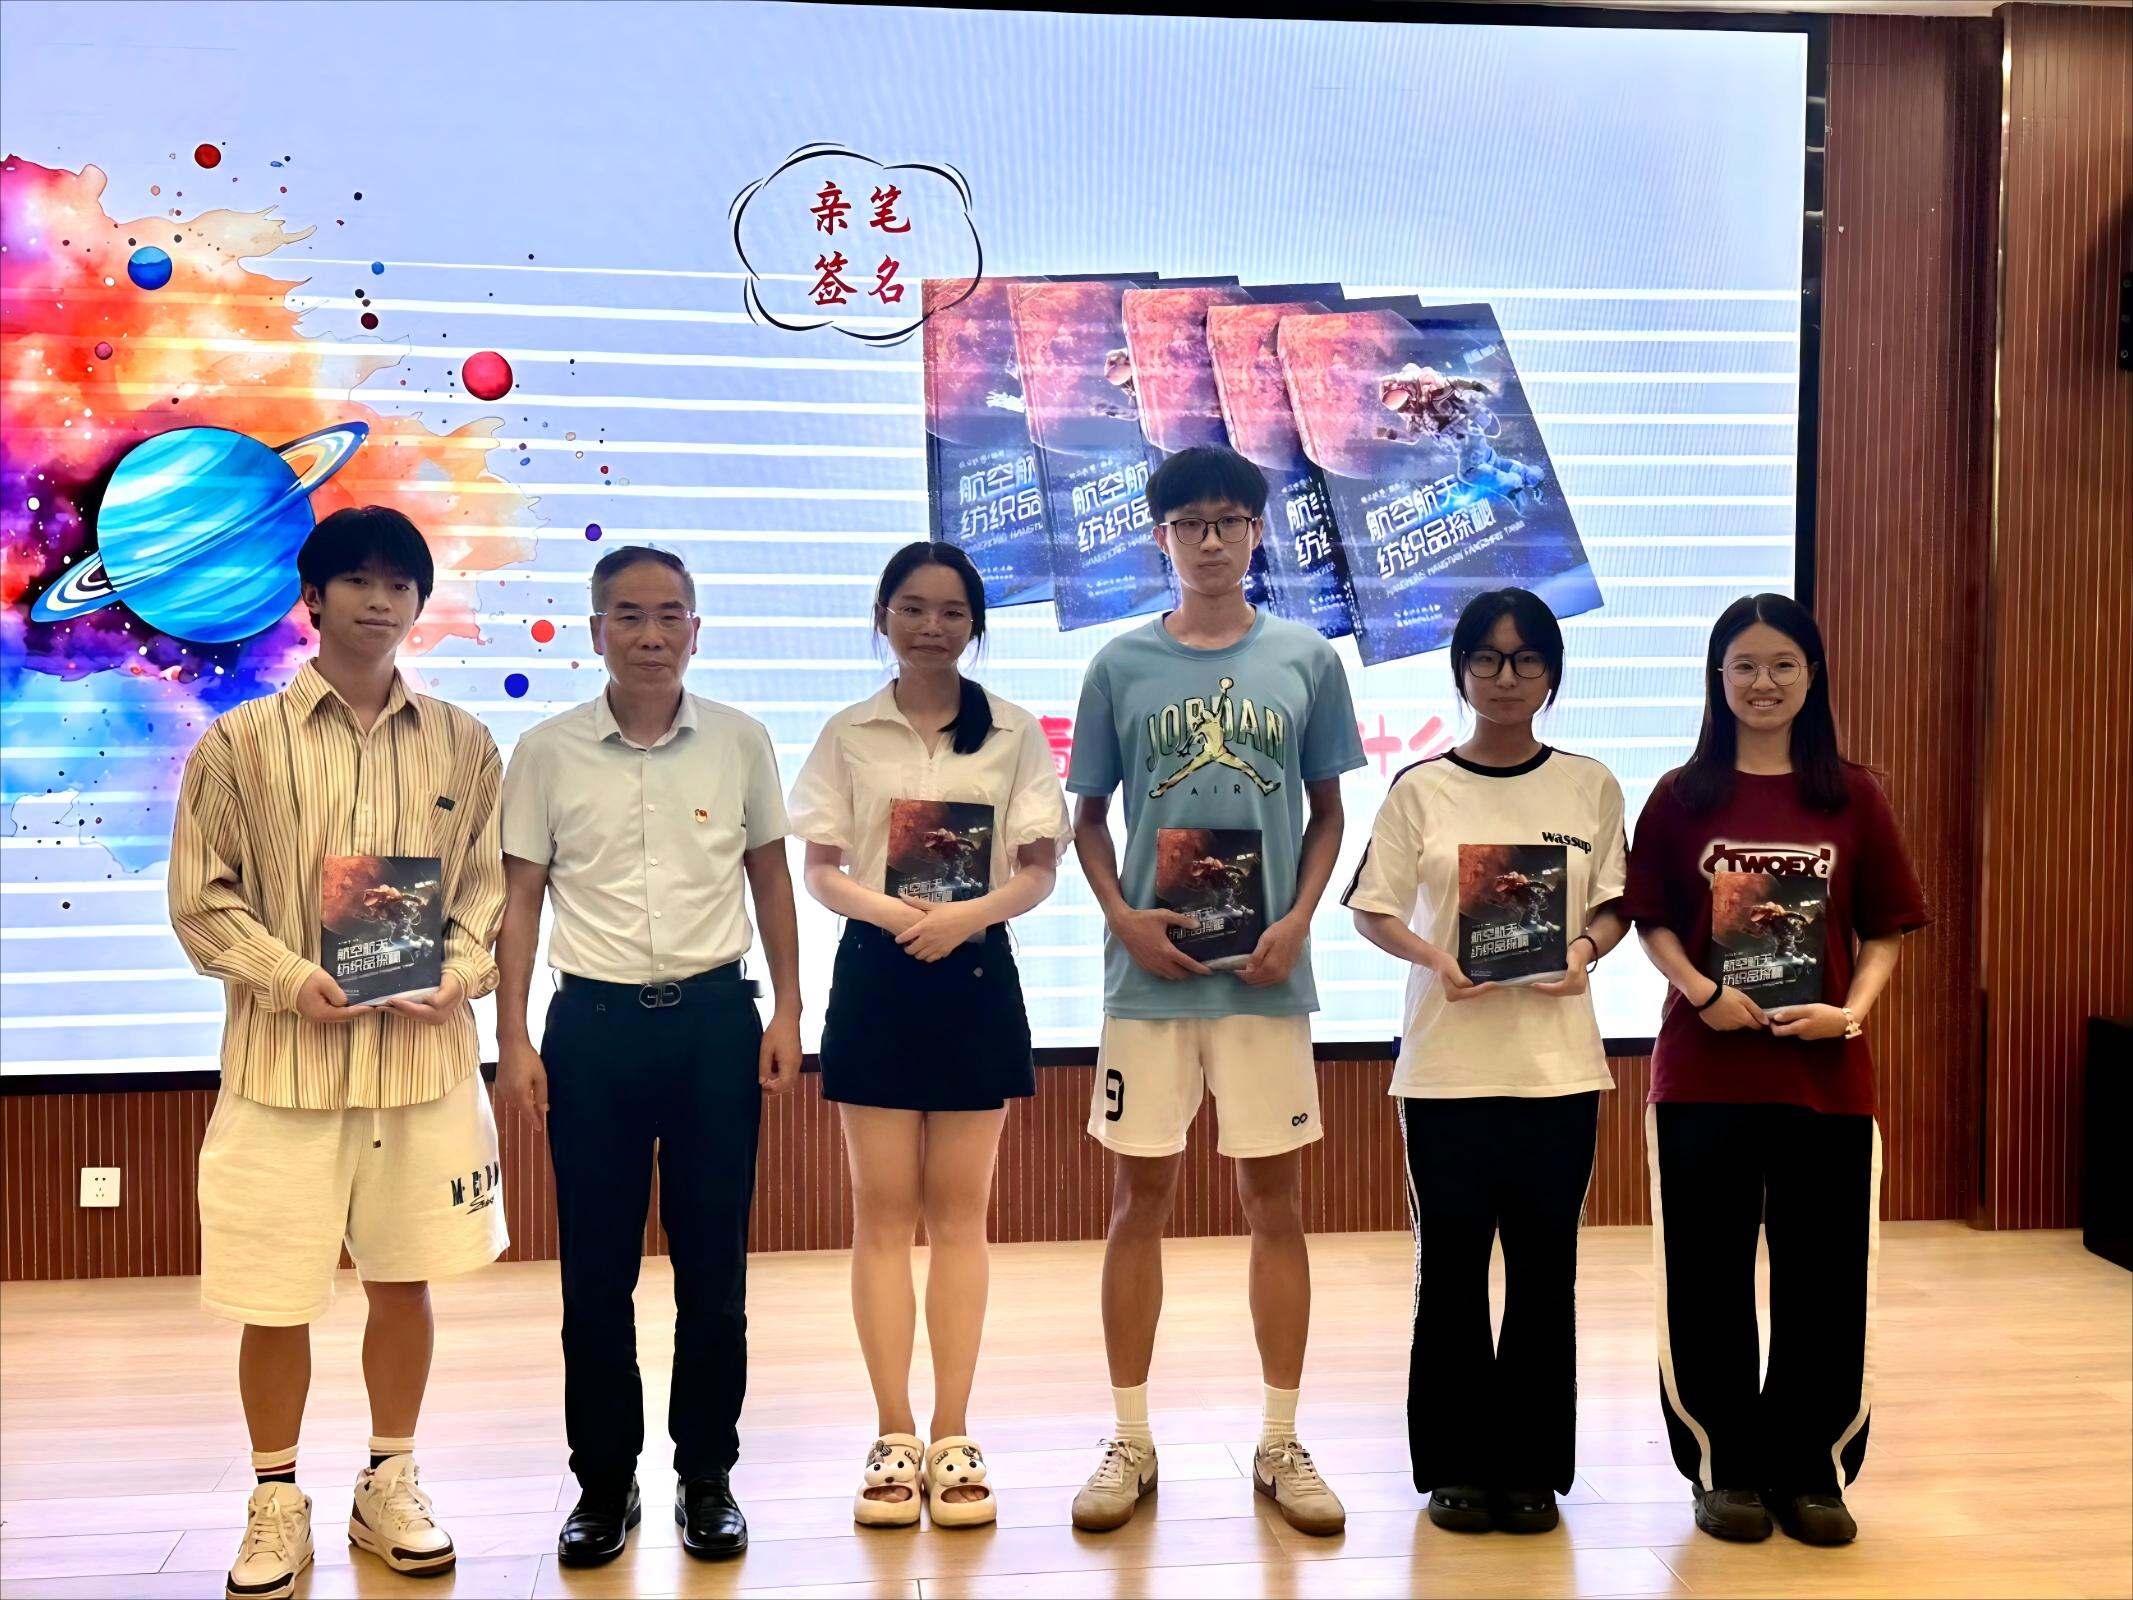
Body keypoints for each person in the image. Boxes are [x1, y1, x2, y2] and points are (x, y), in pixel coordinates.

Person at [169, 506, 508, 1600]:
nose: (379, 600)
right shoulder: (239, 742)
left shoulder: (464, 742)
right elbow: (201, 899)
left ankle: (389, 1480)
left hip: (418, 1068)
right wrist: (285, 976)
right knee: (274, 1295)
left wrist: (461, 972)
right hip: (285, 1070)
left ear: (418, 604)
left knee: (404, 1282)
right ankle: (276, 1498)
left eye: (399, 584)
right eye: (357, 580)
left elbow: (486, 893)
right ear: (312, 598)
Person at [1064, 444, 1365, 1538]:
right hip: (1150, 983)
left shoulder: (1305, 658)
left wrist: (1298, 920)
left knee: (1274, 1204)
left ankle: (1280, 1439)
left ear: (1255, 531)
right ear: (1160, 536)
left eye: (1229, 521)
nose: (1209, 541)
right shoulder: (1118, 665)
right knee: (1135, 1204)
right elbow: (1087, 819)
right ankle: (1128, 1438)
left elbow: (1328, 815)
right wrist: (1122, 917)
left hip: (1263, 978)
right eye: (1188, 523)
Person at [494, 545, 803, 1567]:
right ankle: (603, 1483)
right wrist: (512, 1034)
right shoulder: (544, 751)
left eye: (671, 614)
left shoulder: (741, 741)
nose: (651, 634)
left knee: (715, 1272)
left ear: (696, 630)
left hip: (716, 1023)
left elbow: (770, 880)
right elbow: (522, 900)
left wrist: (789, 1008)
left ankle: (706, 1477)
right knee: (596, 1275)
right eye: (628, 615)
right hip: (592, 1031)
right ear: (596, 632)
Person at [1623, 593, 1926, 1547]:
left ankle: (1812, 1471)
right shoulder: (1681, 795)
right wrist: (1699, 991)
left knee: (1824, 1282)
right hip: (1702, 1077)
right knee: (1706, 1279)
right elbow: (1650, 918)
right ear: (1717, 678)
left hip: (1823, 1081)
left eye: (1783, 664)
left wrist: (1851, 1013)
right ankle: (1725, 1469)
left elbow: (1884, 930)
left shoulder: (1854, 796)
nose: (1764, 682)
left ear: (1811, 677)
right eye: (1745, 665)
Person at [787, 541, 1072, 1530]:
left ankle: (953, 1433)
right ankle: (893, 1432)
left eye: (952, 612)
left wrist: (964, 917)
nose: (931, 627)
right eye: (912, 608)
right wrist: (894, 913)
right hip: (876, 971)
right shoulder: (848, 731)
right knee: (880, 1213)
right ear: (882, 616)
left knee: (959, 1214)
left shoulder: (1014, 732)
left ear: (975, 625)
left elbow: (1038, 868)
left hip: (974, 973)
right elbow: (821, 867)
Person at [1343, 588, 1628, 1535]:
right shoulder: (1420, 787)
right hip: (1445, 1072)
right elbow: (1373, 908)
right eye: (1486, 659)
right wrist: (1436, 958)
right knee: (1453, 1270)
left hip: (1558, 1071)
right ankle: (1458, 1466)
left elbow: (1614, 904)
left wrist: (1581, 951)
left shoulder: (1589, 784)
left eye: (1525, 659)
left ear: (1551, 673)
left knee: (1546, 1272)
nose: (1506, 677)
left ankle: (1532, 1467)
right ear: (1460, 671)